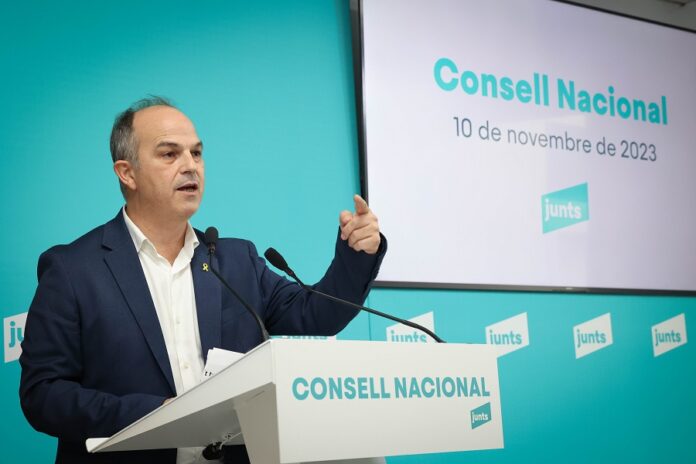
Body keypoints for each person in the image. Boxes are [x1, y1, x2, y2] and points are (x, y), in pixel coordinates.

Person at [19, 97, 386, 464]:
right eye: (169, 154)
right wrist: (157, 415)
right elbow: (44, 395)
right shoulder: (73, 269)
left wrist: (357, 252)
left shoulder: (236, 261)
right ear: (127, 173)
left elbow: (318, 313)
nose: (190, 166)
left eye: (196, 153)